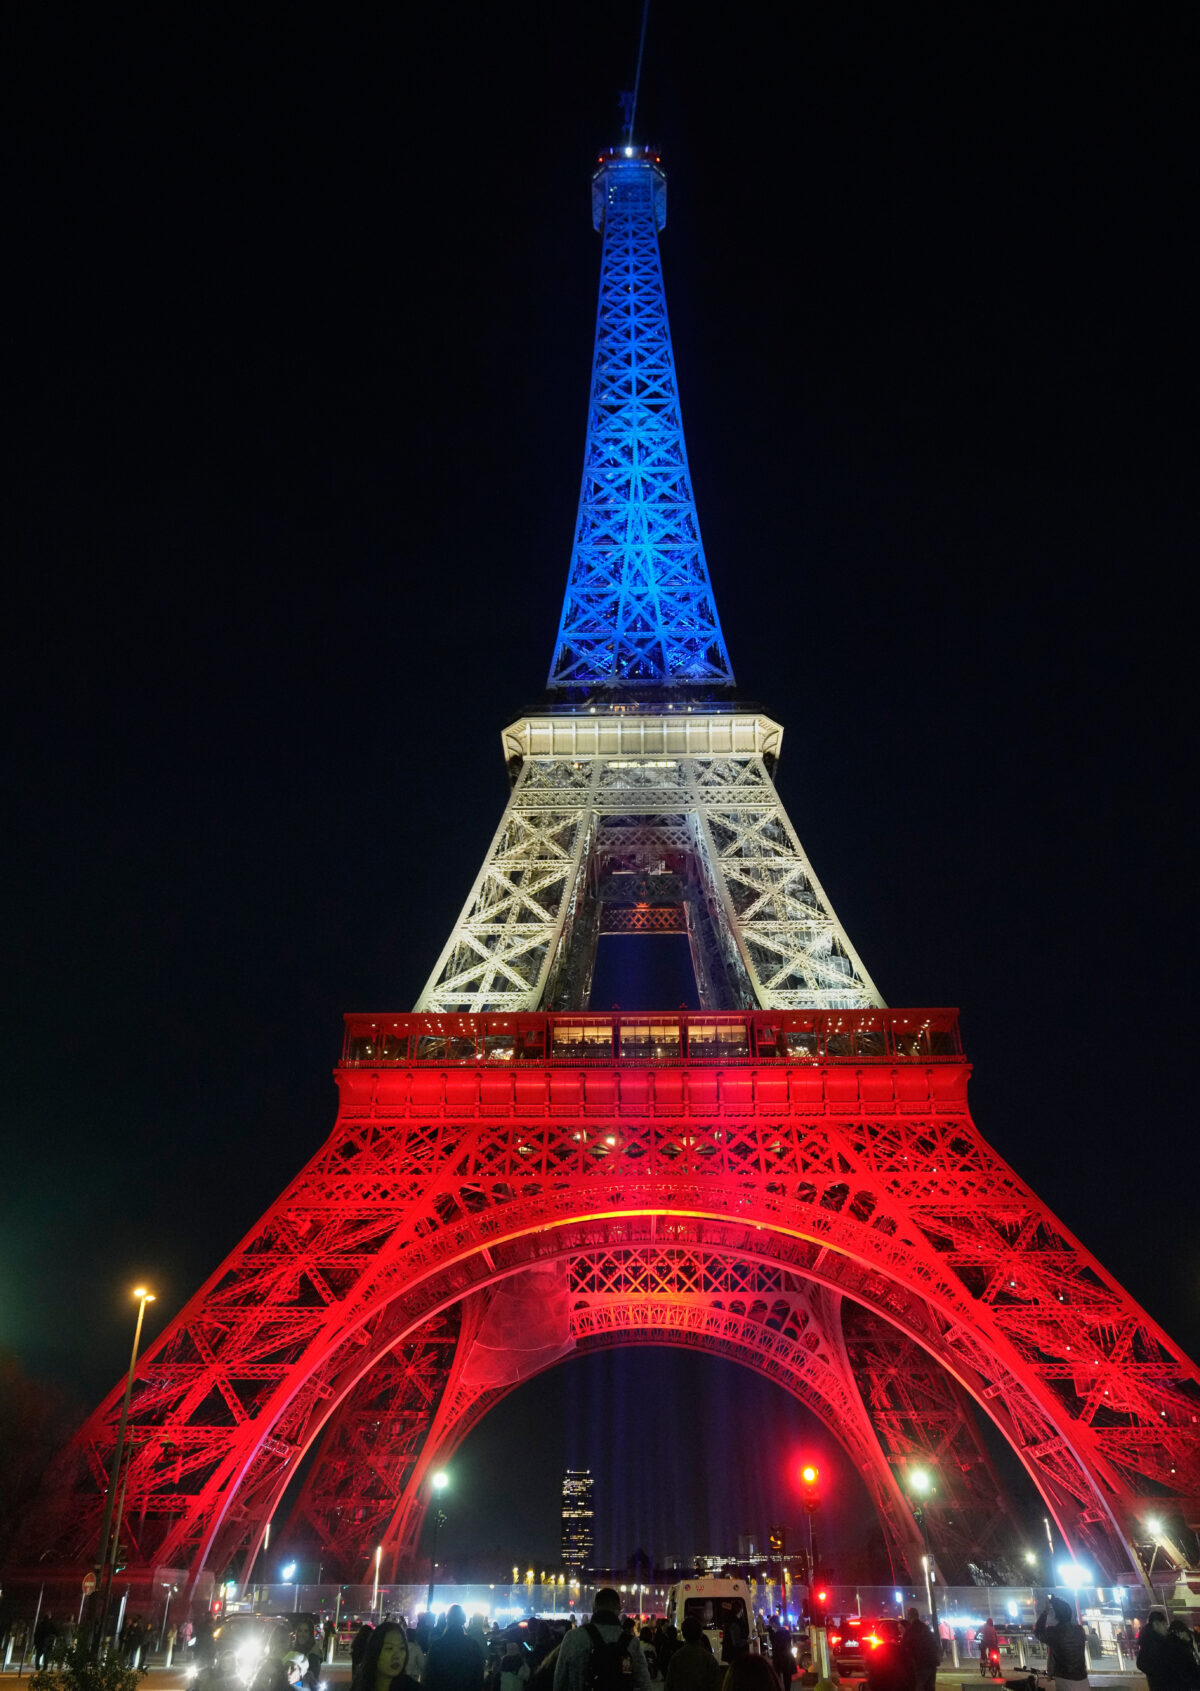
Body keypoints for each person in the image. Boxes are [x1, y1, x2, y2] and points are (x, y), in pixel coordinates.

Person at [554, 1589, 653, 1691]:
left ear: (594, 1608)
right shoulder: (632, 1643)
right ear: (618, 1610)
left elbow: (559, 1681)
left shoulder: (573, 1637)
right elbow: (644, 1684)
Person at [424, 1606, 487, 1691]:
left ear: (447, 1620)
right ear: (463, 1620)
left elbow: (428, 1676)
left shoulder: (437, 1645)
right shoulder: (473, 1645)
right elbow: (479, 1675)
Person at [1034, 1597, 1088, 1691]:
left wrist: (1045, 1611)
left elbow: (1038, 1631)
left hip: (1066, 1680)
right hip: (1083, 1679)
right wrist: (1056, 1601)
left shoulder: (1055, 1633)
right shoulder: (1079, 1630)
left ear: (1056, 1616)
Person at [353, 1623, 422, 1691]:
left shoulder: (413, 1688)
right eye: (389, 1648)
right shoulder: (360, 1685)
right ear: (375, 1651)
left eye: (402, 1648)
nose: (397, 1656)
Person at [662, 1617, 721, 1691]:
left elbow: (669, 1686)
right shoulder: (709, 1660)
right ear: (700, 1633)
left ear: (683, 1634)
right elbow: (716, 1685)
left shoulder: (676, 1658)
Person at [901, 1609, 940, 1691]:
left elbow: (904, 1647)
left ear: (909, 1616)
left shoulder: (911, 1630)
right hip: (932, 1662)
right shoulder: (925, 1627)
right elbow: (934, 1644)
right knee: (930, 1687)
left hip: (921, 1664)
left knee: (919, 1686)